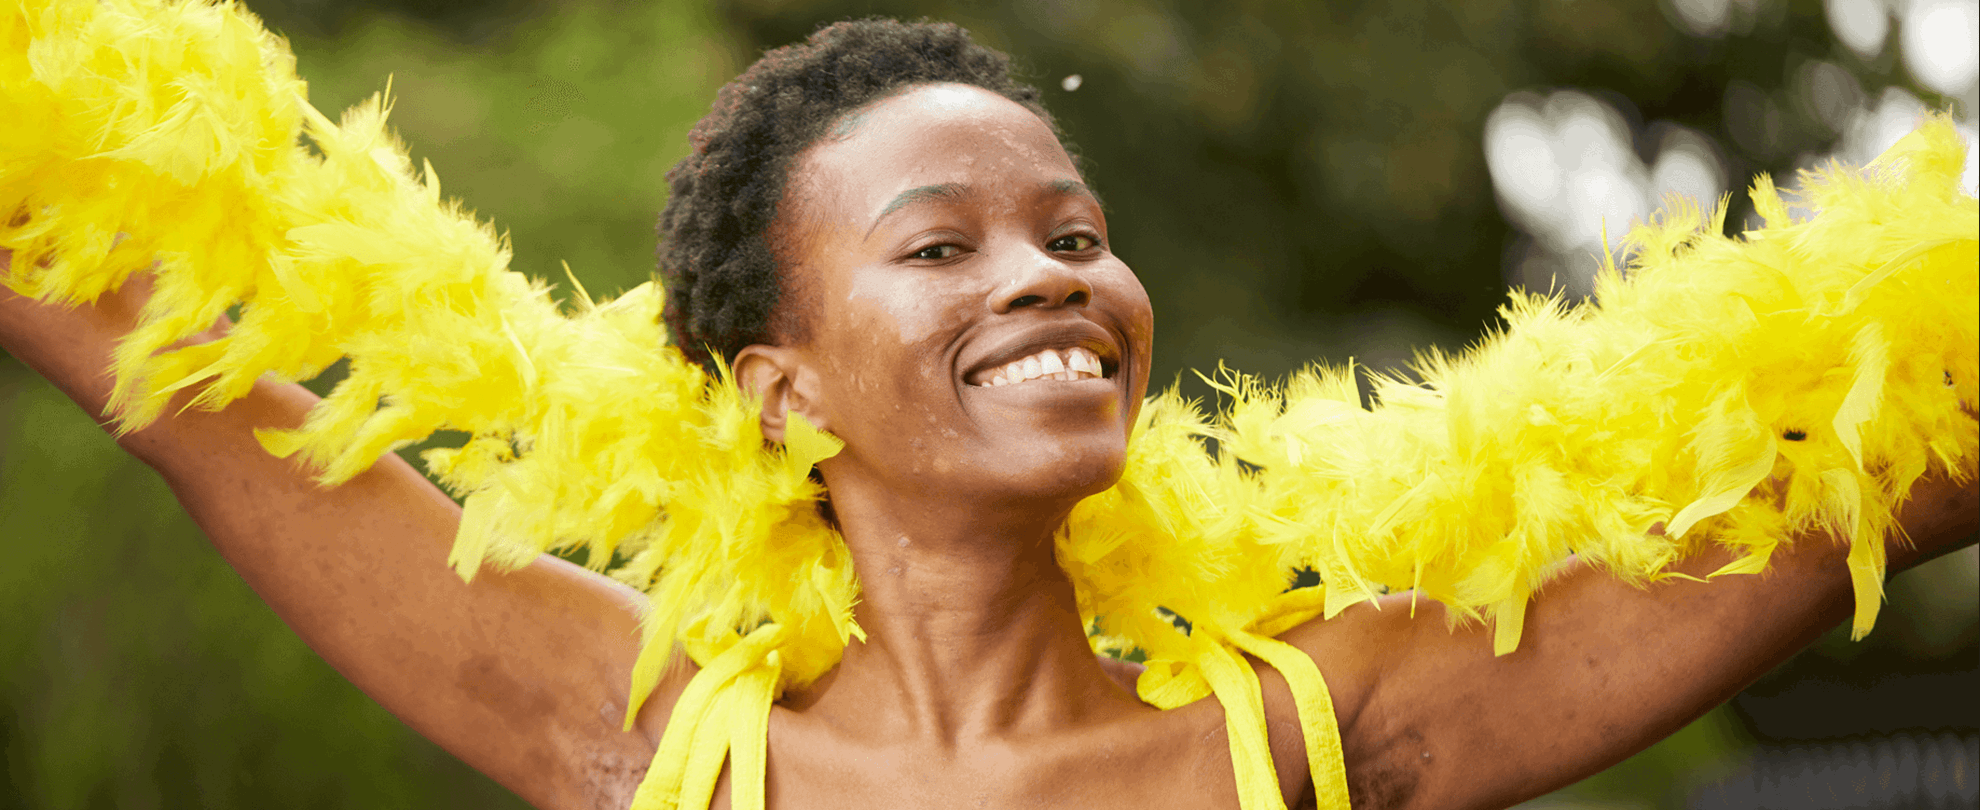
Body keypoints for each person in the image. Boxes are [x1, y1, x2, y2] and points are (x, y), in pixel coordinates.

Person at [2, 8, 1975, 810]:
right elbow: (151, 369)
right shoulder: (647, 746)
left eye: (1075, 232)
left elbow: (1890, 471)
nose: (1052, 276)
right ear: (778, 393)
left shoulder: (1322, 732)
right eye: (939, 248)